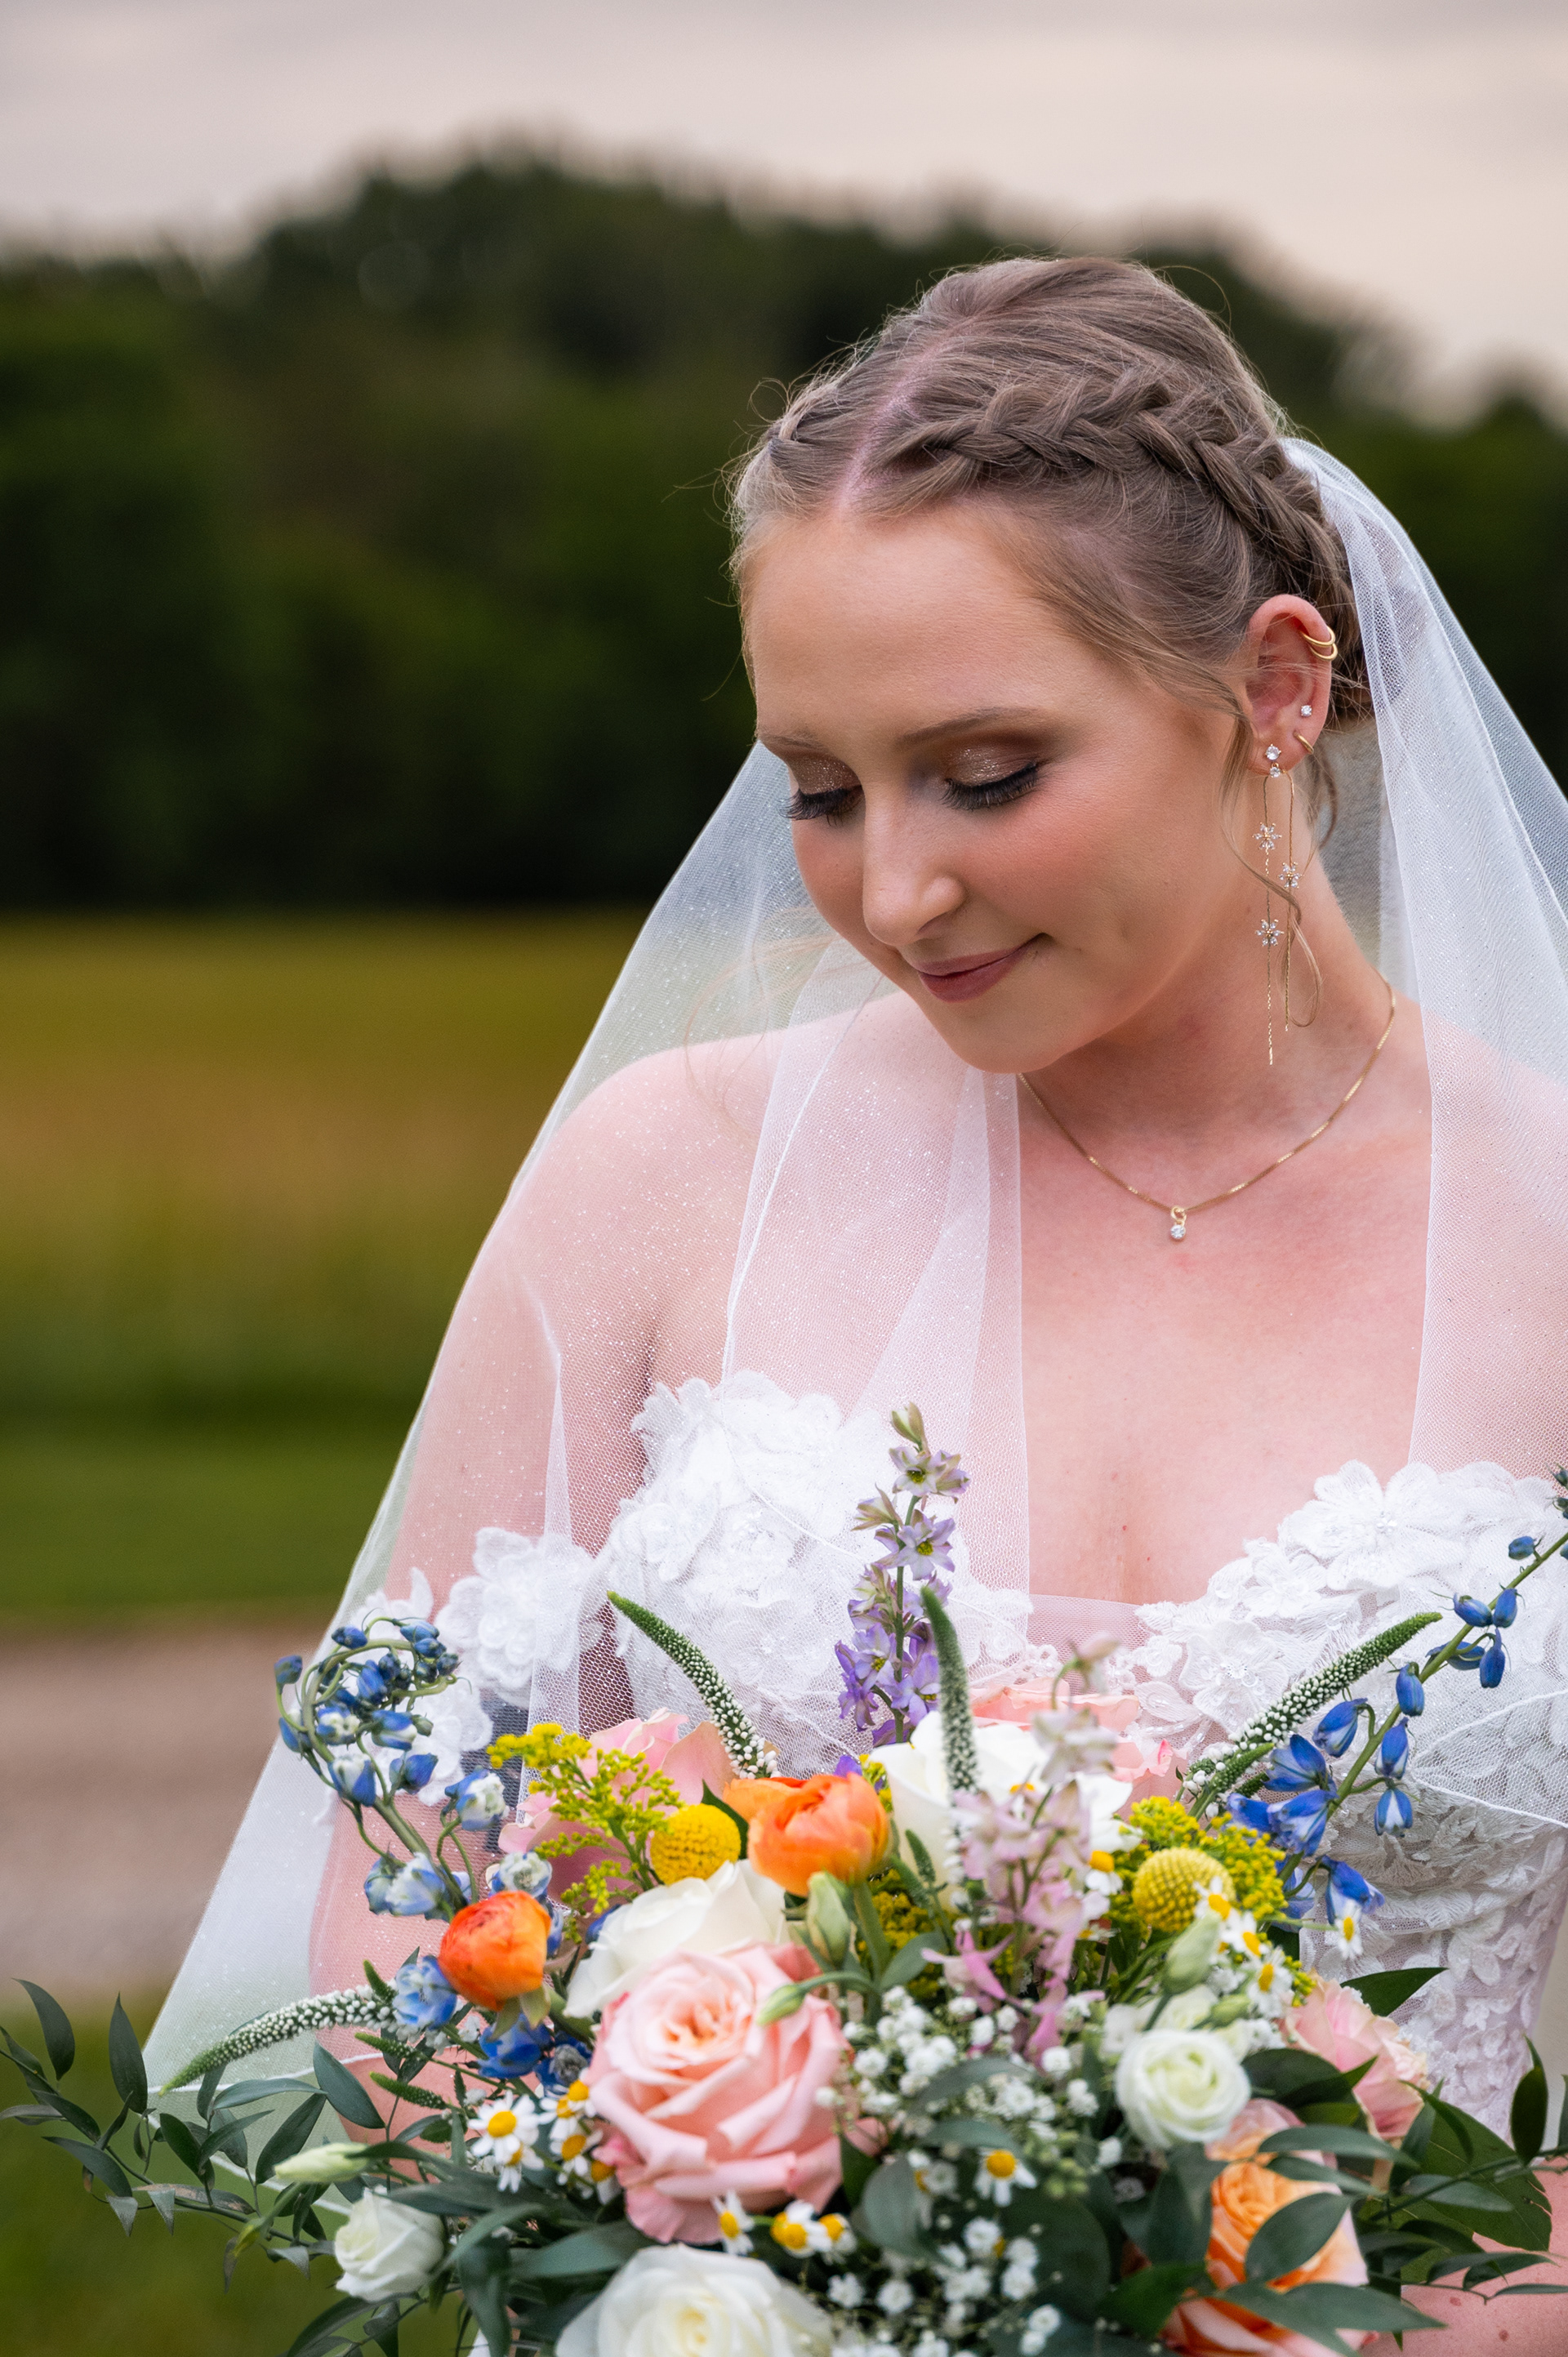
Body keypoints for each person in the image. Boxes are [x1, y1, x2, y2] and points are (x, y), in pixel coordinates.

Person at [148, 259, 1568, 2352]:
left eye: (985, 774)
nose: (894, 893)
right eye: (821, 789)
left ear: (1276, 684)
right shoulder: (664, 1180)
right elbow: (394, 1909)